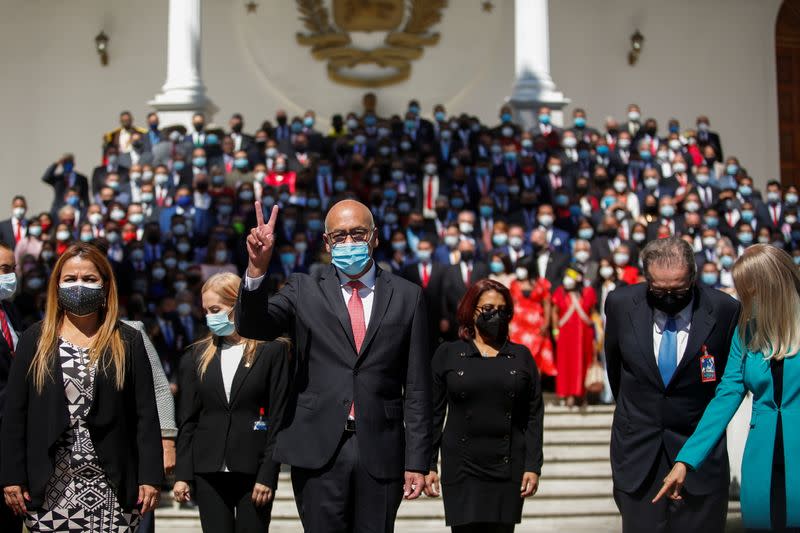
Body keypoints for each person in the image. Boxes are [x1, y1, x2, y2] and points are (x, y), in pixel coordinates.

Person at [236, 200, 432, 532]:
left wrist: (418, 461)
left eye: (358, 233)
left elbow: (417, 387)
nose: (349, 242)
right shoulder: (303, 288)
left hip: (381, 449)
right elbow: (255, 327)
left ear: (375, 237)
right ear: (327, 243)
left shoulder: (407, 295)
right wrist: (257, 270)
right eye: (339, 236)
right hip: (319, 449)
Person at [0, 242, 163, 532]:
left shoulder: (127, 340)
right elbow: (15, 414)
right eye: (70, 279)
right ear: (57, 286)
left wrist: (150, 476)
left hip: (112, 481)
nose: (79, 286)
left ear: (105, 286)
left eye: (89, 279)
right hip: (51, 483)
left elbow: (146, 415)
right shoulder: (34, 340)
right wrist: (11, 475)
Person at [655, 244, 800, 532]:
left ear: (773, 285)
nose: (745, 299)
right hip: (762, 457)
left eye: (750, 290)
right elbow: (726, 395)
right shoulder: (746, 331)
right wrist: (687, 459)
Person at [604, 237, 740, 533]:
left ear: (693, 277)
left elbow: (726, 383)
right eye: (659, 289)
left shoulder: (724, 309)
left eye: (678, 289)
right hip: (638, 455)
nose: (668, 296)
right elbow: (616, 368)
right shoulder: (620, 304)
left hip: (699, 456)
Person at [425, 279, 543, 533]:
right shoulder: (448, 353)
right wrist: (428, 463)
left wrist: (533, 465)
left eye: (502, 310)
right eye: (488, 308)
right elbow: (433, 413)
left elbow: (533, 415)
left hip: (508, 465)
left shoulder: (522, 356)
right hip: (461, 467)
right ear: (471, 311)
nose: (495, 315)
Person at [173, 272, 288, 532]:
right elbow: (188, 420)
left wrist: (268, 474)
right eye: (205, 311)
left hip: (253, 469)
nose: (210, 316)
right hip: (208, 469)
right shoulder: (196, 356)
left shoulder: (272, 350)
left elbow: (278, 417)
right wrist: (182, 475)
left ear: (238, 305)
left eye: (216, 309)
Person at [0, 242, 23, 532]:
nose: (10, 277)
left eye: (12, 269)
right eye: (3, 269)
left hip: (11, 441)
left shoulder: (11, 311)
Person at [552, 267, 597, 406]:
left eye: (571, 276)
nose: (567, 279)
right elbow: (555, 312)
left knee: (584, 361)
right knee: (566, 364)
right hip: (565, 334)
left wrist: (597, 333)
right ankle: (568, 395)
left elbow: (593, 313)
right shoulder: (560, 292)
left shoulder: (588, 292)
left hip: (584, 334)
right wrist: (555, 330)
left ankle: (582, 395)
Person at [507, 262, 555, 377]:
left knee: (535, 357)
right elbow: (510, 304)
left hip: (537, 326)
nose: (520, 270)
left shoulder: (541, 283)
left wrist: (547, 322)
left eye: (522, 267)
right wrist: (508, 324)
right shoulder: (513, 284)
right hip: (517, 326)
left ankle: (535, 386)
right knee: (518, 356)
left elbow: (547, 303)